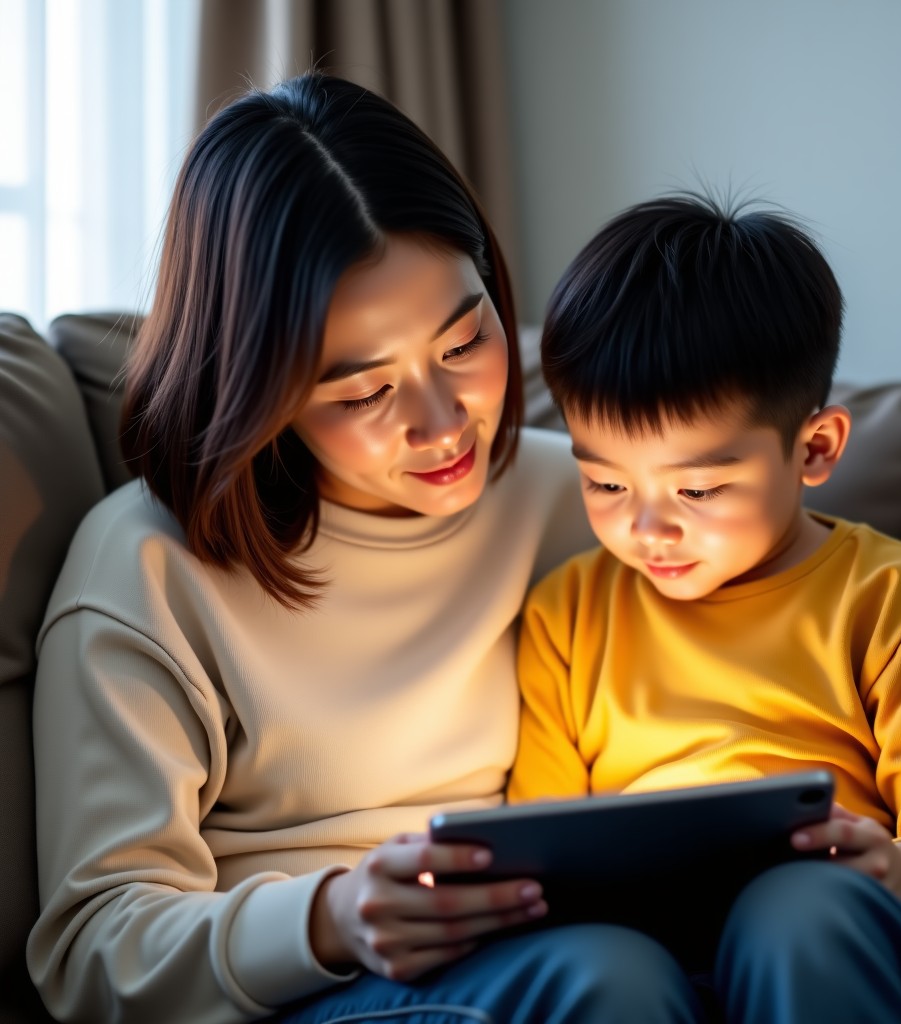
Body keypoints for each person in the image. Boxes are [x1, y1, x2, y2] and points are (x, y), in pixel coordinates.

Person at [27, 73, 701, 1024]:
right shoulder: (148, 567)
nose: (443, 423)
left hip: (558, 942)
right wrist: (332, 919)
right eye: (360, 393)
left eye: (466, 342)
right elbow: (93, 946)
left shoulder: (593, 503)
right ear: (261, 389)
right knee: (606, 981)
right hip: (310, 989)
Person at [507, 193, 901, 1023]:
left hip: (869, 955)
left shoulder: (890, 598)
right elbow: (548, 854)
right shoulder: (566, 616)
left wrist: (897, 869)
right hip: (668, 971)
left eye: (699, 488)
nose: (646, 528)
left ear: (814, 448)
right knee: (604, 970)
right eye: (605, 482)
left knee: (793, 913)